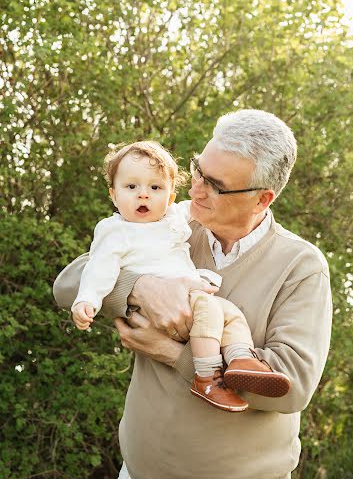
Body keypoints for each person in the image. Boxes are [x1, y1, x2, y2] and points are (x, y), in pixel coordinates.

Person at [54, 109, 332, 479]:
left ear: (262, 198)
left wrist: (168, 351)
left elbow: (291, 386)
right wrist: (141, 288)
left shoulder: (300, 266)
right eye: (198, 169)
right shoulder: (170, 226)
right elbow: (69, 284)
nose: (196, 188)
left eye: (217, 185)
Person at [71, 140, 291, 412]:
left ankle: (241, 359)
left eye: (155, 187)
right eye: (131, 187)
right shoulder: (115, 232)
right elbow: (97, 268)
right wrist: (88, 299)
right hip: (160, 308)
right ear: (113, 195)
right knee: (211, 309)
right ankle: (208, 377)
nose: (143, 195)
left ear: (171, 196)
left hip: (191, 296)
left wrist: (173, 353)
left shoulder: (173, 217)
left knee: (231, 314)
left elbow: (195, 206)